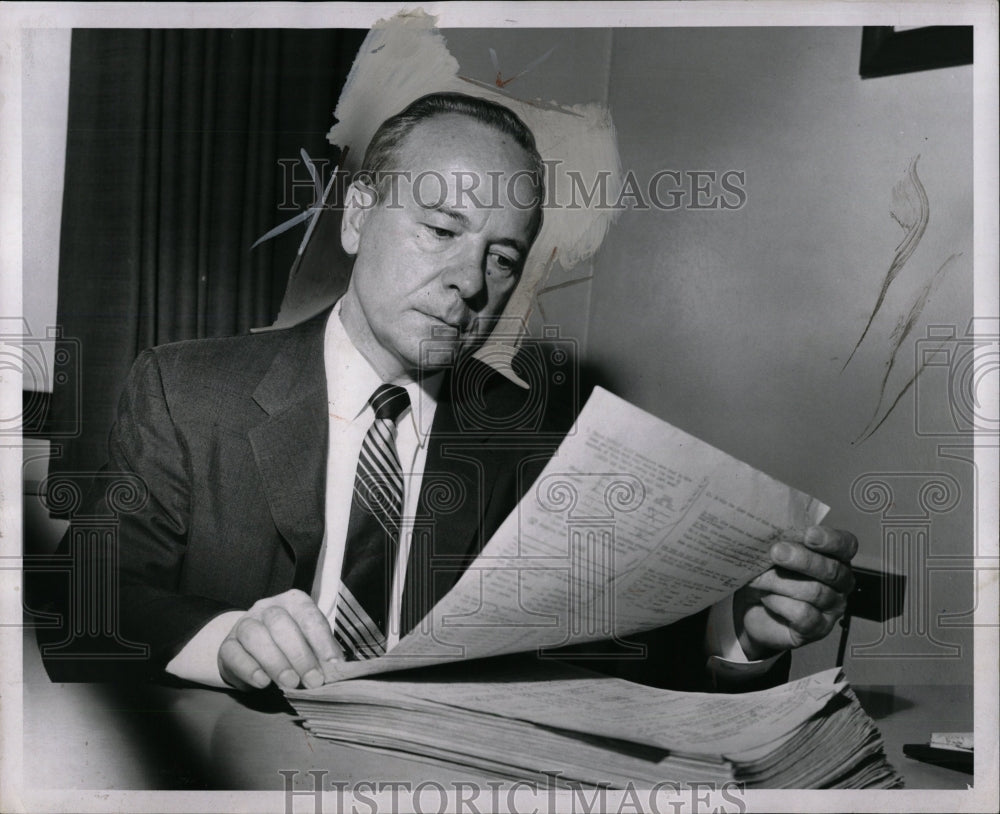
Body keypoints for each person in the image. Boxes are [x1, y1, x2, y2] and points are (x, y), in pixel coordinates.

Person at [40, 92, 856, 694]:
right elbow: (89, 601)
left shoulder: (530, 439)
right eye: (440, 230)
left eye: (503, 258)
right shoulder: (187, 392)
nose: (470, 281)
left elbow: (614, 650)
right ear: (357, 217)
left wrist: (740, 632)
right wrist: (226, 641)